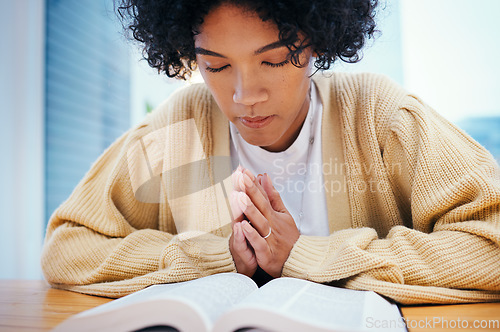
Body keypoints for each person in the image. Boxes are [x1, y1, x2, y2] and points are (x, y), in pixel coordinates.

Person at [41, 0, 500, 304]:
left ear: (318, 39)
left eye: (276, 59)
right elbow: (68, 244)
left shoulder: (378, 115)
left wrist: (307, 255)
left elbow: (490, 244)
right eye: (215, 65)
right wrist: (213, 257)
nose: (245, 95)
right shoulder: (181, 125)